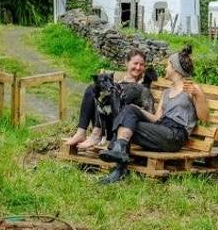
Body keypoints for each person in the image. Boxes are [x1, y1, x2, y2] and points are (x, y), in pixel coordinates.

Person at [97, 45, 208, 184]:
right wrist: (134, 109)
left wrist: (197, 94)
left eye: (168, 65)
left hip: (175, 135)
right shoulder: (166, 92)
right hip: (161, 129)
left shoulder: (192, 88)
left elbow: (204, 117)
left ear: (175, 68)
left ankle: (119, 164)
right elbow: (156, 118)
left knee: (125, 123)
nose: (165, 68)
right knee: (128, 115)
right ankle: (120, 161)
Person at [64, 49, 150, 150]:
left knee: (107, 96)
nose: (138, 67)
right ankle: (81, 132)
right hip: (106, 123)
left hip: (119, 128)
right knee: (92, 88)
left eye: (142, 65)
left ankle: (96, 134)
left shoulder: (140, 87)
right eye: (135, 63)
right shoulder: (116, 82)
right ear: (126, 63)